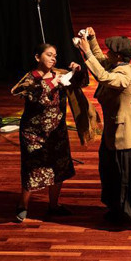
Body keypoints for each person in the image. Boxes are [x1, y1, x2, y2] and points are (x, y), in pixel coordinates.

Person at [76, 27, 131, 229]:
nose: (107, 53)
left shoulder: (126, 73)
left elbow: (104, 77)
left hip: (125, 135)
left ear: (118, 55)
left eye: (110, 51)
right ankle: (118, 210)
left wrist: (86, 52)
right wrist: (92, 39)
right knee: (110, 171)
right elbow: (101, 61)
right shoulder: (116, 63)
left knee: (130, 178)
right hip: (112, 131)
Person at [11, 43, 86, 222]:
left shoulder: (60, 74)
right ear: (38, 57)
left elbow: (80, 83)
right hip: (33, 132)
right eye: (49, 55)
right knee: (32, 168)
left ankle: (53, 205)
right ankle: (23, 204)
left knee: (58, 166)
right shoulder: (31, 78)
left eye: (55, 55)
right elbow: (24, 94)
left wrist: (77, 71)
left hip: (56, 130)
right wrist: (48, 82)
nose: (54, 58)